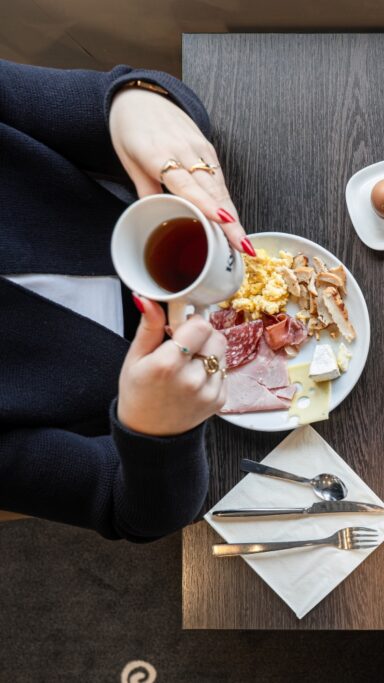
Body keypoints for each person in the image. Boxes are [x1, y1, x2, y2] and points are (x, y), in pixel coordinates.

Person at [0, 60, 253, 541]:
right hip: (212, 438)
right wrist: (157, 435)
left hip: (221, 214)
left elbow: (156, 104)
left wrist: (132, 101)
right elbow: (131, 511)